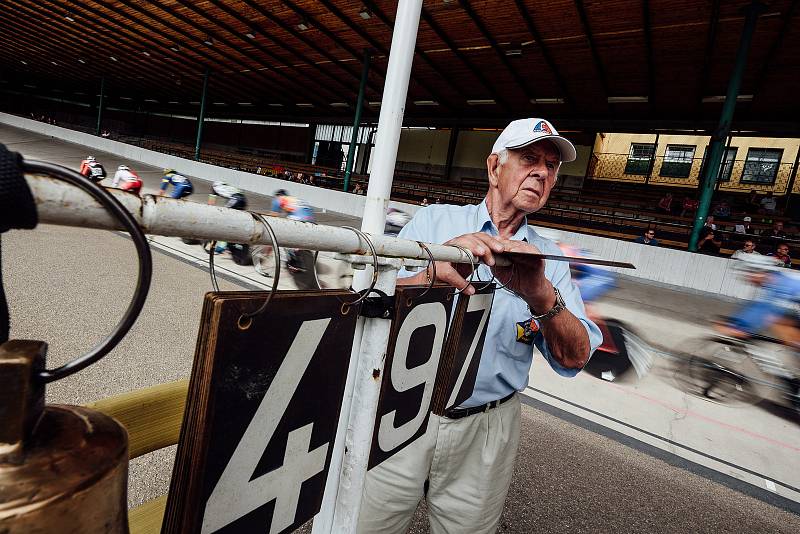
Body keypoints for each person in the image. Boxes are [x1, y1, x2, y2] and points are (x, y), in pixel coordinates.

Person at [358, 118, 601, 534]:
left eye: (550, 166)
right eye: (529, 159)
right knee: (364, 525)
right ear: (494, 168)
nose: (541, 172)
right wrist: (427, 277)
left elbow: (576, 357)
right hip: (402, 410)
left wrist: (541, 295)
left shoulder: (547, 260)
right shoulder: (434, 224)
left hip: (486, 426)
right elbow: (367, 303)